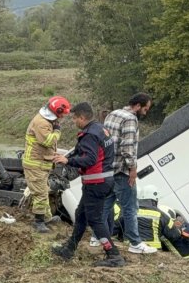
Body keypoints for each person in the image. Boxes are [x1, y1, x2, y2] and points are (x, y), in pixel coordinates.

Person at [51, 103, 124, 267]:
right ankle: (69, 249)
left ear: (82, 117)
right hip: (103, 180)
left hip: (96, 183)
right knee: (81, 214)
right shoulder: (100, 129)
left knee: (95, 220)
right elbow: (91, 153)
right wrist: (67, 156)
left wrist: (68, 161)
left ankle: (113, 255)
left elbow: (90, 159)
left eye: (75, 118)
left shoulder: (89, 135)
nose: (74, 121)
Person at [103, 93, 156, 255]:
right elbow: (127, 148)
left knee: (106, 205)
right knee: (131, 208)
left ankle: (98, 236)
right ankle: (135, 242)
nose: (145, 113)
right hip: (122, 170)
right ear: (138, 106)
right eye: (145, 109)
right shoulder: (130, 119)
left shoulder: (113, 114)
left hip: (108, 168)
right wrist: (133, 170)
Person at [22, 95, 70, 233]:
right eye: (62, 114)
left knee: (44, 191)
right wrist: (57, 131)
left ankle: (47, 218)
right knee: (40, 194)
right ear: (57, 111)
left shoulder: (46, 120)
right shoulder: (42, 123)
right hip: (35, 164)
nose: (63, 117)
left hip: (40, 163)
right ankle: (39, 222)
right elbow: (48, 141)